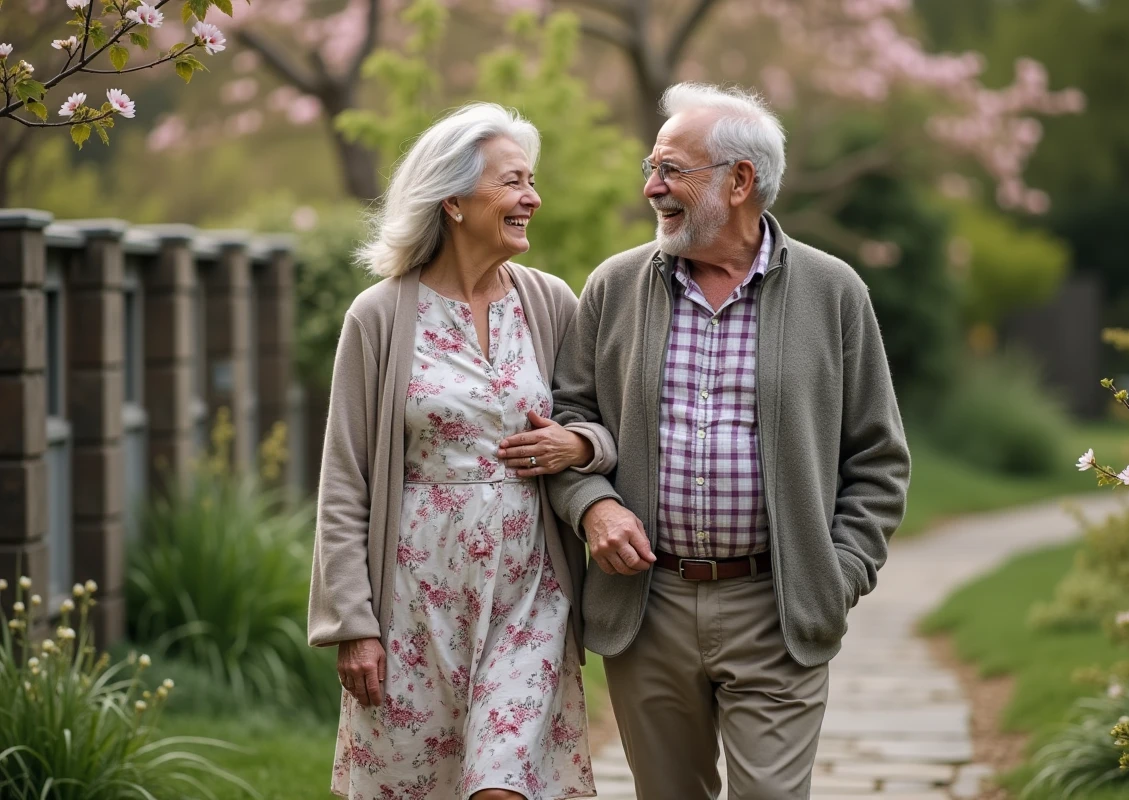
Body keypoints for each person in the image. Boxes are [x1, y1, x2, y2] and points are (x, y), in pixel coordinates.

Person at [547, 83, 912, 799]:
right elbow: (568, 418)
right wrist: (592, 507)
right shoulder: (614, 287)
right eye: (651, 167)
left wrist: (836, 577)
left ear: (740, 181)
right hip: (646, 605)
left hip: (776, 604)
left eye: (671, 169)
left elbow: (879, 458)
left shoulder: (834, 293)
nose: (652, 187)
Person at [308, 102, 608, 800]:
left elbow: (600, 421)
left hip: (529, 589)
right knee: (419, 784)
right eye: (513, 182)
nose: (532, 198)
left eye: (532, 181)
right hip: (414, 601)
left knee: (504, 786)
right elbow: (345, 477)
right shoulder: (379, 315)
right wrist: (354, 624)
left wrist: (579, 444)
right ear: (453, 201)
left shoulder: (550, 302)